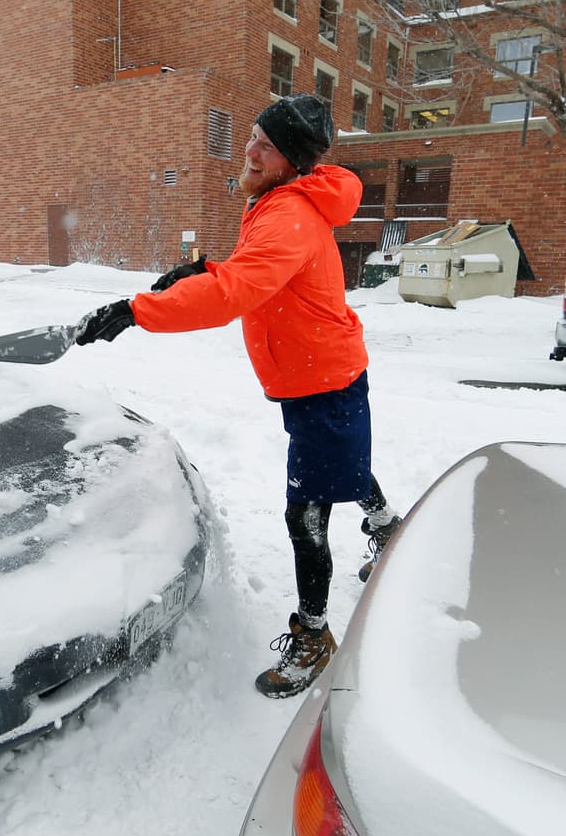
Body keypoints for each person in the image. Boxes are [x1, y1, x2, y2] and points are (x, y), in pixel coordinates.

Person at [73, 93, 401, 700]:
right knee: (343, 469)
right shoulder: (283, 202)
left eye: (267, 146)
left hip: (323, 381)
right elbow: (251, 274)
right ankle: (387, 527)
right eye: (253, 135)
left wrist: (137, 310)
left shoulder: (289, 214)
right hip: (317, 376)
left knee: (305, 514)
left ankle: (314, 635)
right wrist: (200, 269)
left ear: (293, 162)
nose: (251, 149)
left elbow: (238, 293)